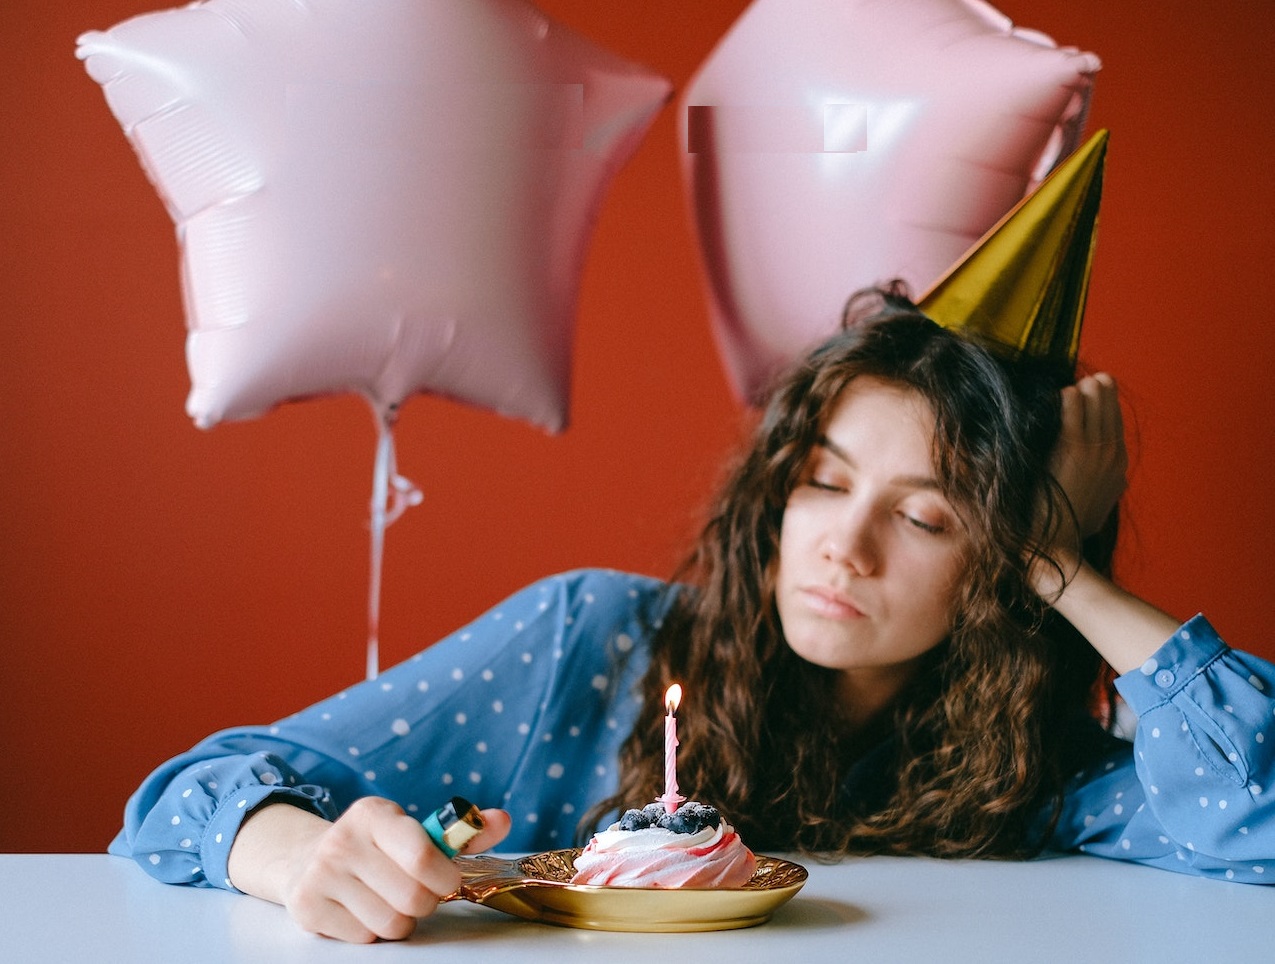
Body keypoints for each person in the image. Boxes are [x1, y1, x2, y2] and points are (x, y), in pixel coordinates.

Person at [110, 286, 1275, 943]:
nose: (843, 546)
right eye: (821, 482)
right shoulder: (589, 643)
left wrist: (1070, 573)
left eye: (925, 519)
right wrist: (303, 855)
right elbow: (184, 795)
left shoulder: (1034, 762)